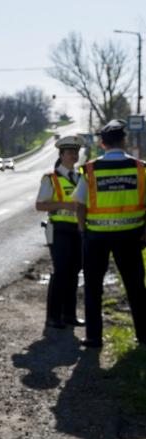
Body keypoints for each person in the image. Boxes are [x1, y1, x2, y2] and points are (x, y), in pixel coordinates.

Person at [73, 119, 146, 348]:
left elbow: (79, 204)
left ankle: (94, 337)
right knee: (136, 287)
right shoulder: (140, 167)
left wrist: (83, 229)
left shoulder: (91, 169)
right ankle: (143, 336)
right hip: (131, 236)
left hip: (96, 238)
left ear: (102, 144)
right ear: (123, 141)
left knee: (93, 288)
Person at [35, 135, 86, 328]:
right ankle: (53, 316)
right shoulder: (51, 178)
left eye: (76, 152)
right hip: (56, 228)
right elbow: (40, 205)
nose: (73, 155)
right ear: (61, 155)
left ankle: (69, 315)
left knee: (74, 271)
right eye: (70, 152)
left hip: (77, 229)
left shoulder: (81, 177)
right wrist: (64, 204)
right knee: (61, 270)